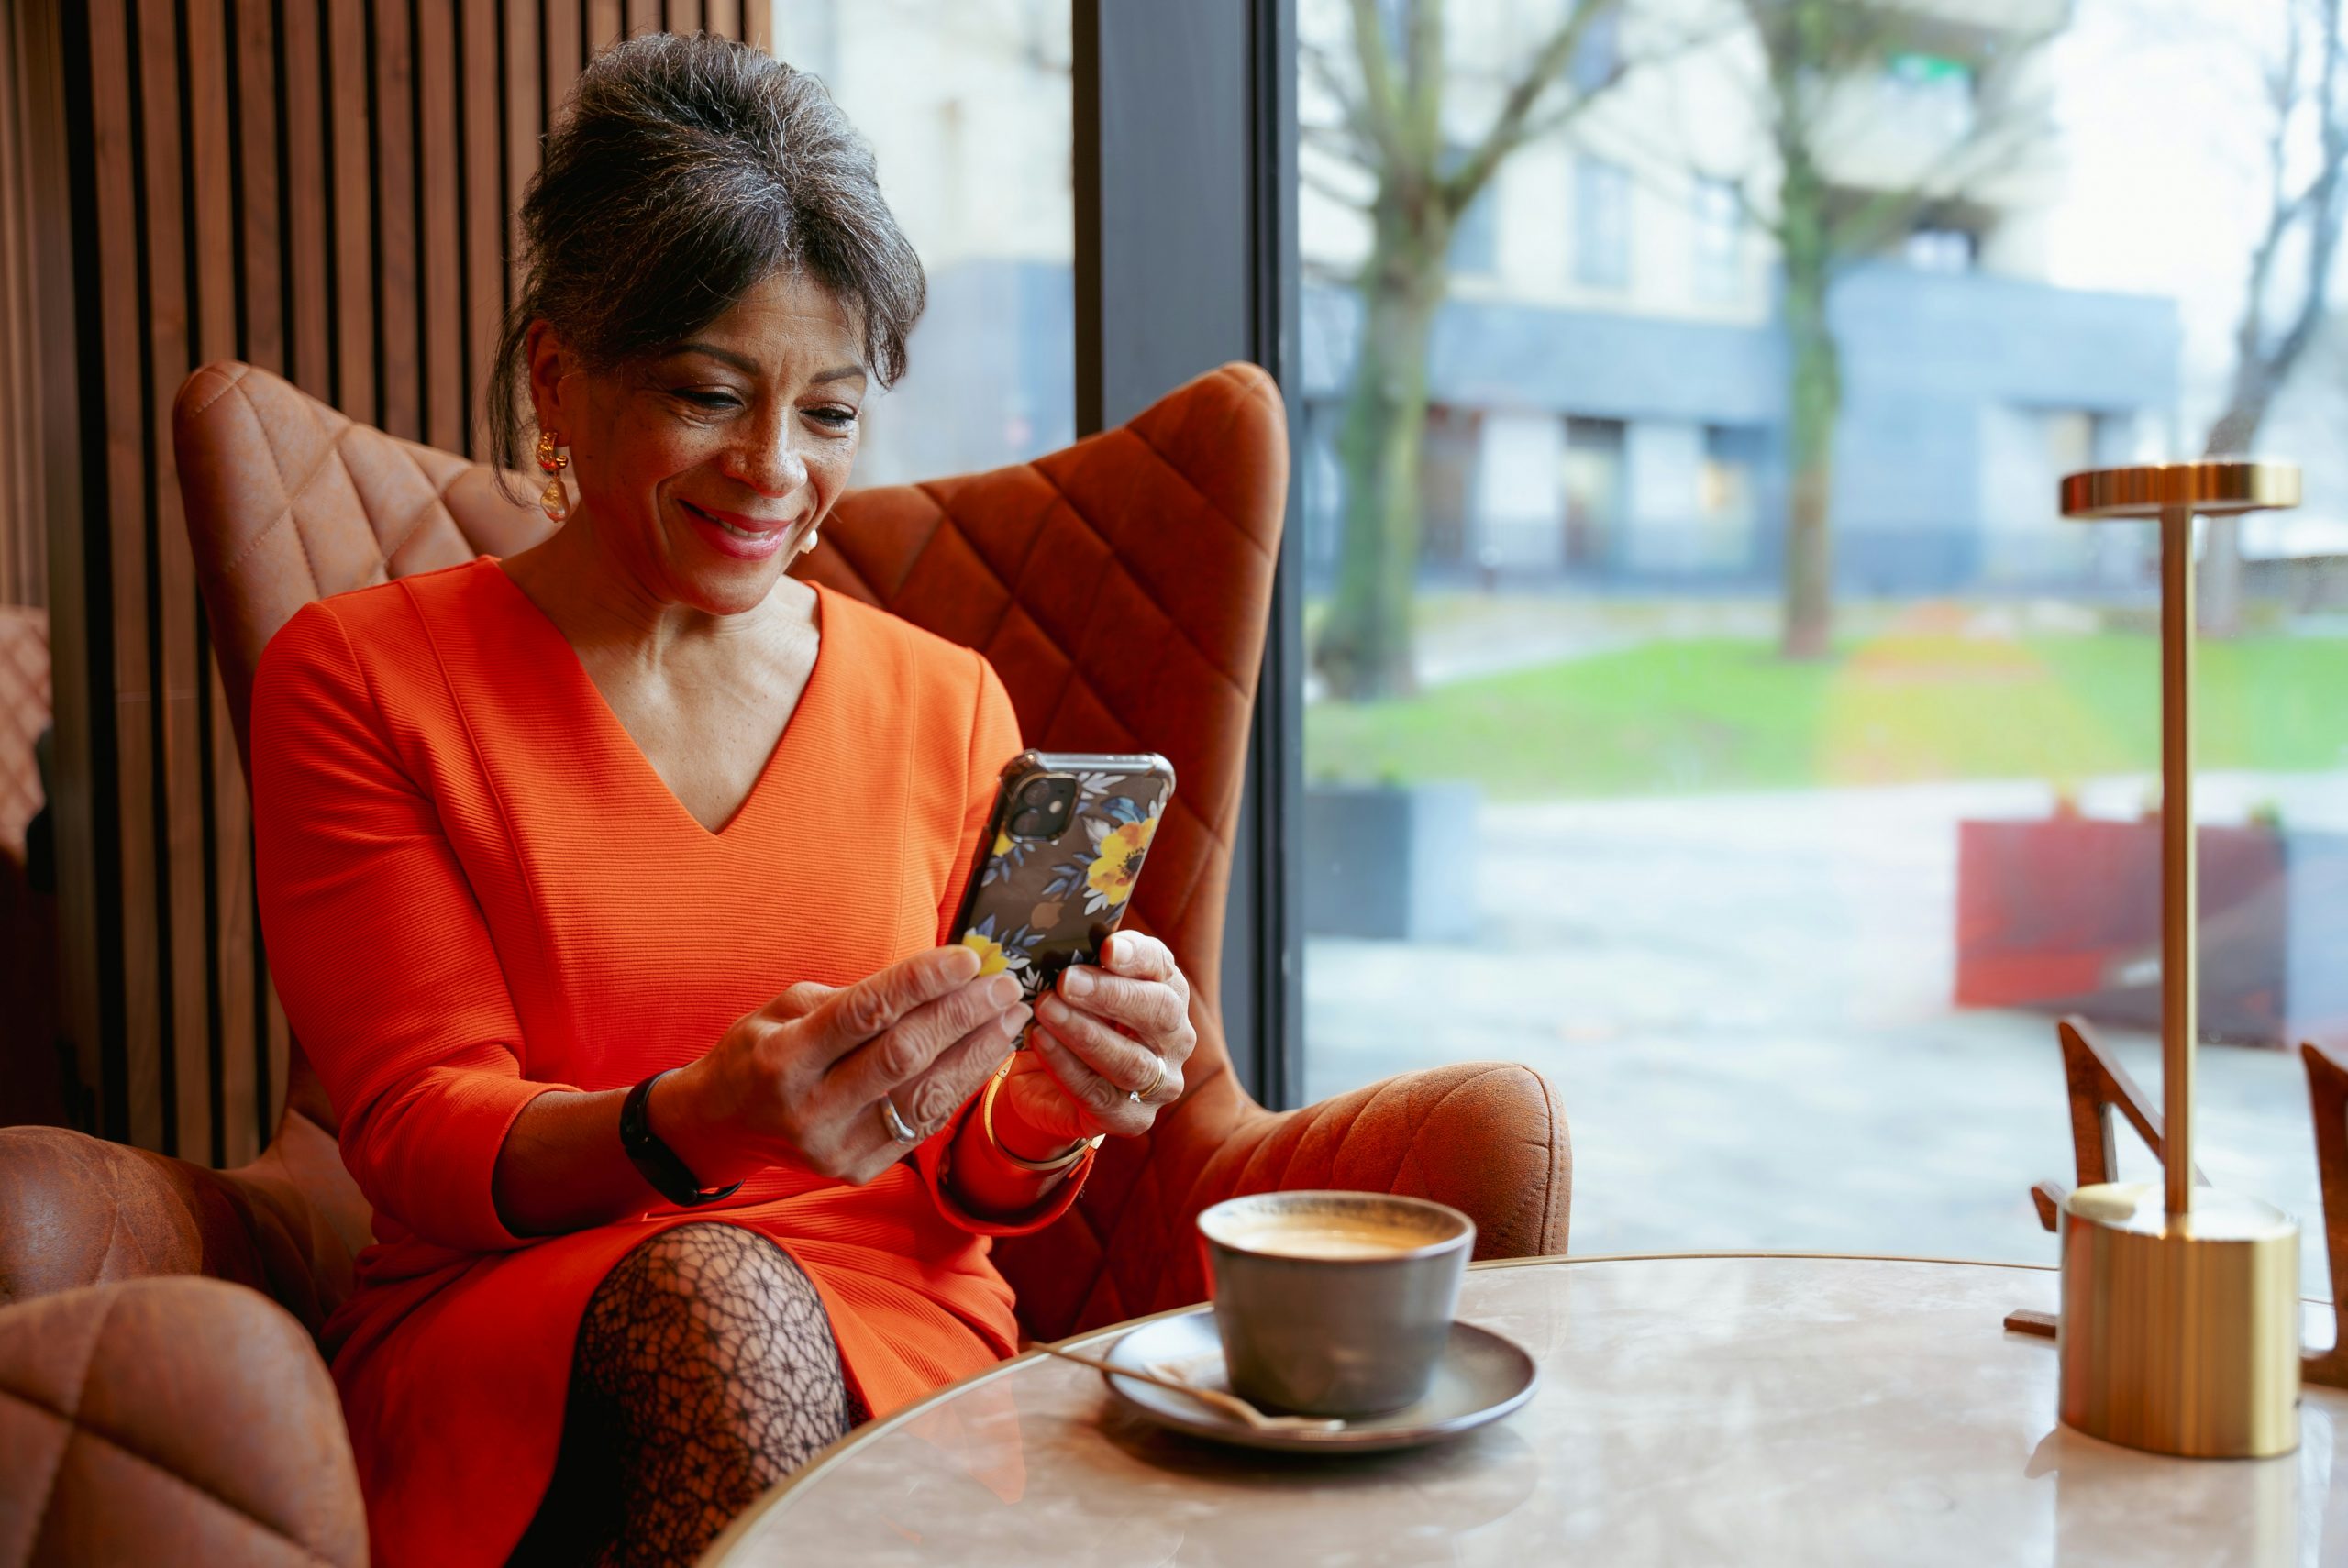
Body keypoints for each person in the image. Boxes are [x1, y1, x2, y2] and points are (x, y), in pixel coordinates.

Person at [249, 32, 1198, 1568]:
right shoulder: (363, 680)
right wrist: (695, 1121)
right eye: (708, 394)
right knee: (712, 1295)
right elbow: (417, 1130)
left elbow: (968, 1172)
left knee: (751, 1303)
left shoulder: (946, 701)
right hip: (517, 1327)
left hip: (892, 1326)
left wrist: (1053, 1101)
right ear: (559, 377)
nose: (774, 469)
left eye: (828, 413)